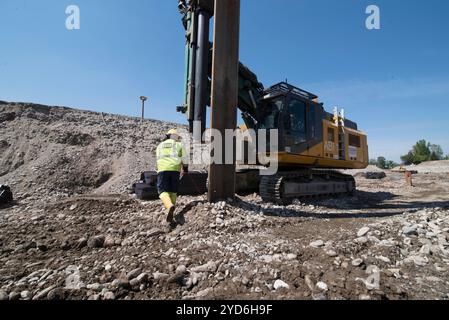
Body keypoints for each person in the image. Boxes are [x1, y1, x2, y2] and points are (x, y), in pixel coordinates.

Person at [156, 129, 188, 225]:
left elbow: (158, 159)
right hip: (175, 170)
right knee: (173, 191)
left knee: (162, 191)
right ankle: (171, 209)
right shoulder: (179, 145)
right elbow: (185, 159)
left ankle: (169, 206)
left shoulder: (159, 146)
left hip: (162, 170)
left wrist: (158, 169)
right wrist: (185, 169)